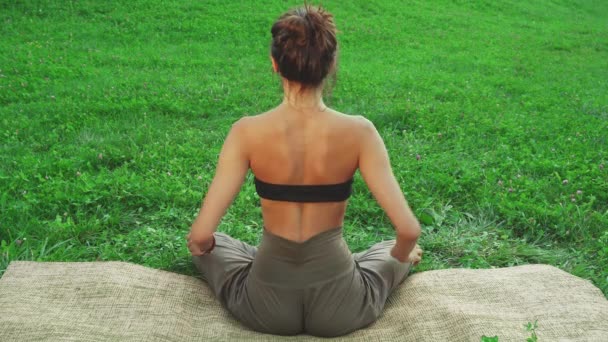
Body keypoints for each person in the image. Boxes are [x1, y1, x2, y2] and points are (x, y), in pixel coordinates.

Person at [186, 4, 422, 337]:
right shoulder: (360, 132)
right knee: (386, 252)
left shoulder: (246, 132)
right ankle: (388, 261)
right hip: (342, 309)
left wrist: (205, 249)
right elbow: (408, 231)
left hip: (265, 308)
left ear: (274, 64)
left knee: (218, 245)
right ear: (330, 65)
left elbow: (199, 237)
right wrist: (399, 257)